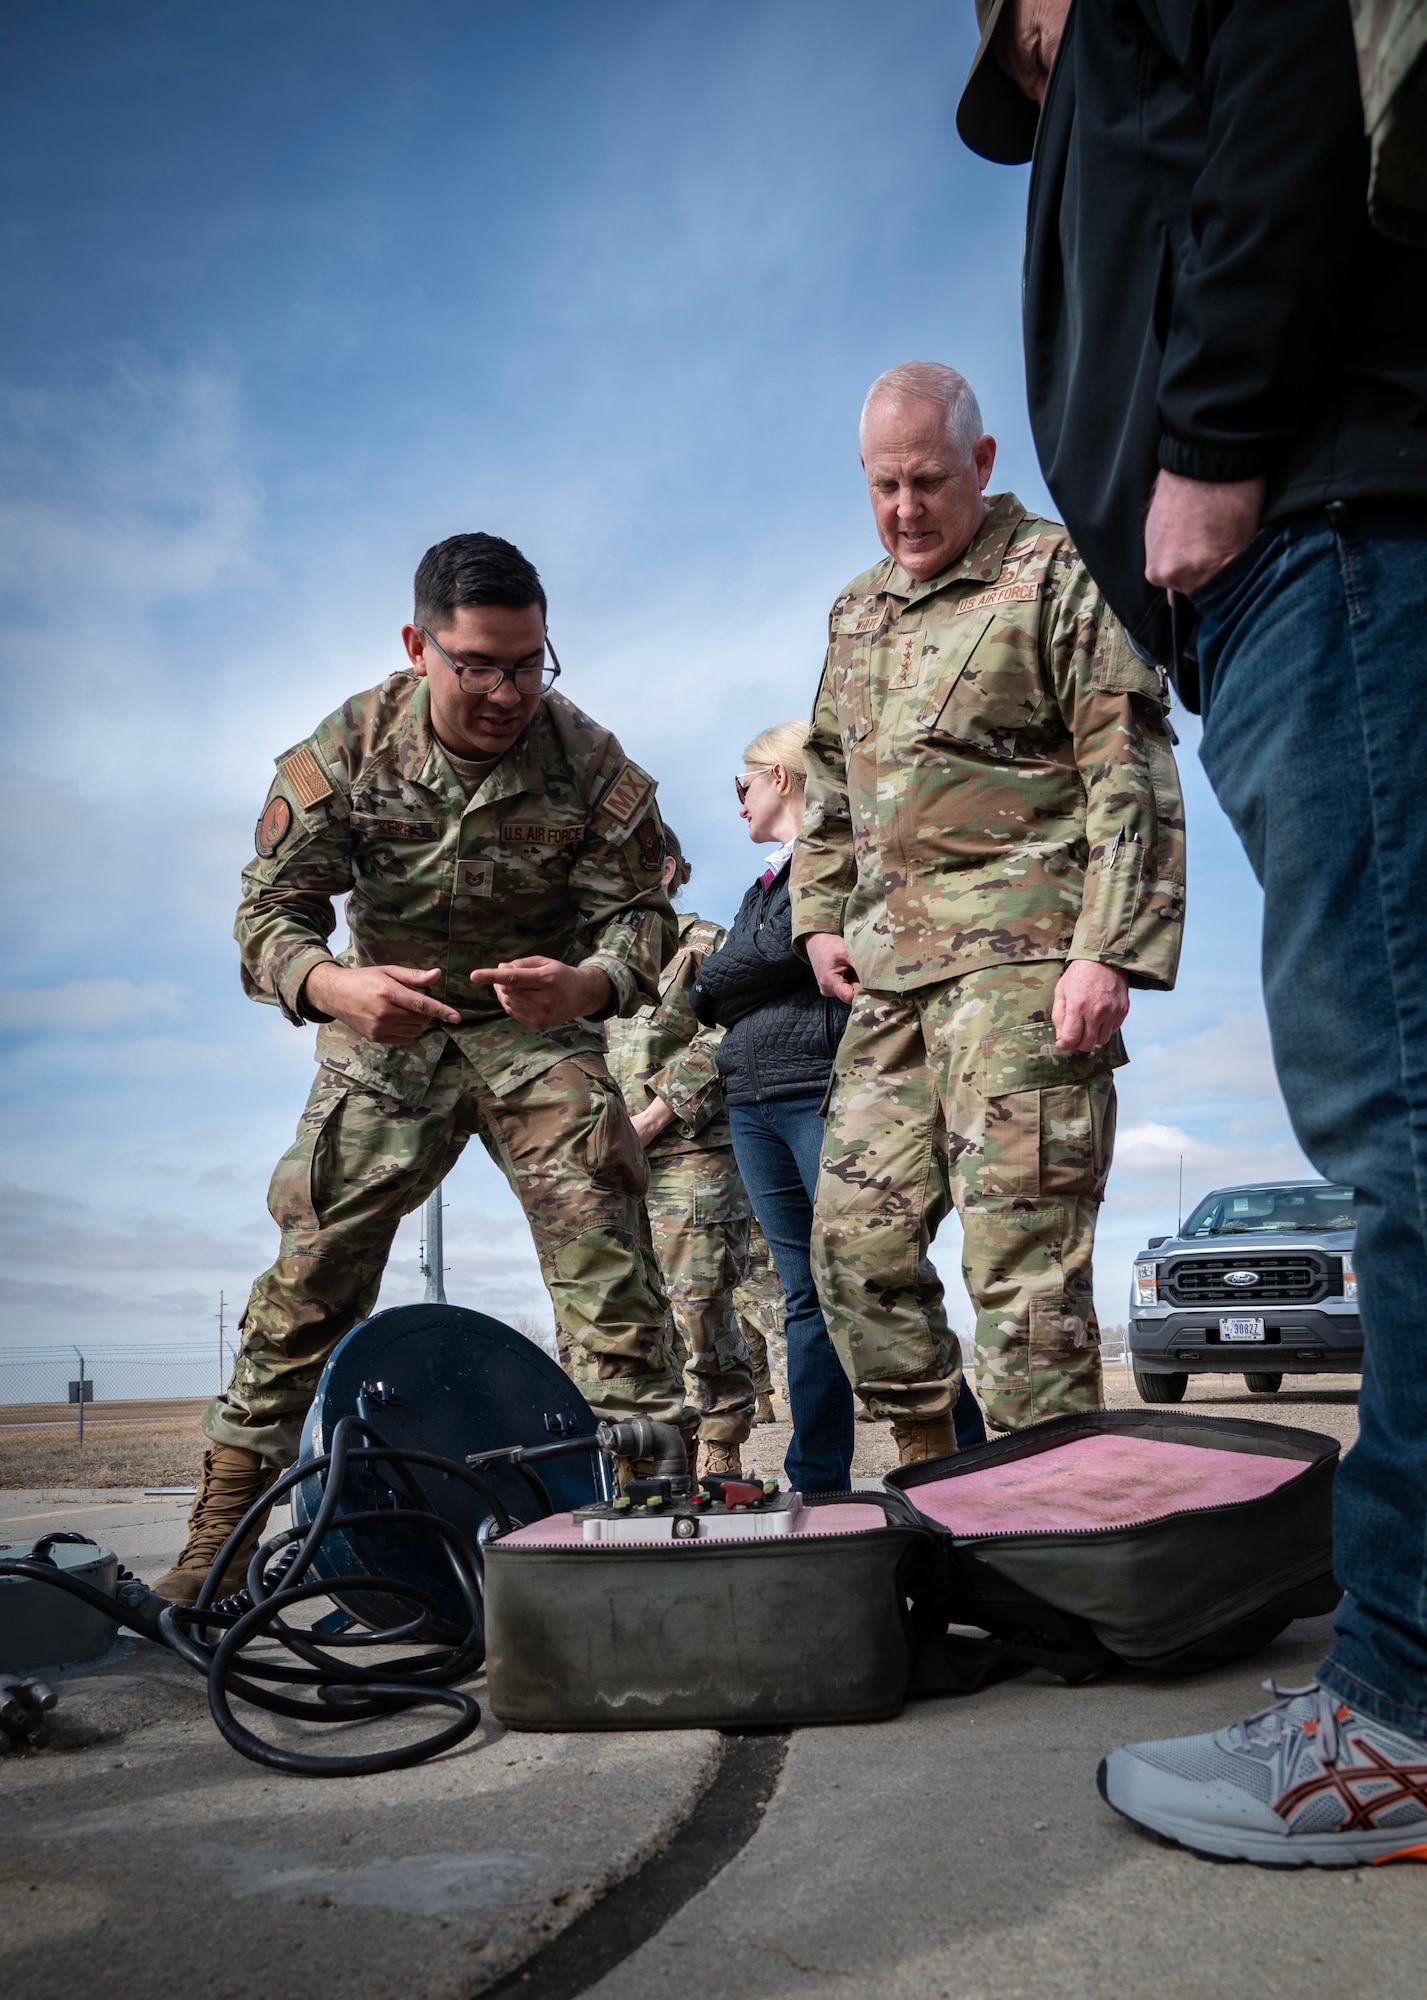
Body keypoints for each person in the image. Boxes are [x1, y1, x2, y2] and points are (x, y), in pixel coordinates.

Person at [961, 0, 1427, 1867]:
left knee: (1397, 1122)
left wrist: (1216, 434)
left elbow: (1288, 95)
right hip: (1280, 577)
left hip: (1313, 522)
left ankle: (1396, 1714)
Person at [153, 532, 682, 1604]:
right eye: (477, 665)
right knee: (313, 1267)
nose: (505, 692)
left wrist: (583, 986)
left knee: (606, 1253)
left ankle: (651, 1518)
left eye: (528, 664)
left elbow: (639, 918)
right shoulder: (349, 746)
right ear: (417, 647)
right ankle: (217, 1533)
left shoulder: (587, 760)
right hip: (385, 1021)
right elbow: (269, 914)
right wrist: (330, 987)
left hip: (533, 1029)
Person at [793, 363, 1186, 1463]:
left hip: (1025, 967)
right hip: (890, 981)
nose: (903, 509)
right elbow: (826, 784)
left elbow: (1128, 765)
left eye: (925, 480)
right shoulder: (855, 610)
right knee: (852, 1248)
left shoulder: (1053, 571)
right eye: (882, 485)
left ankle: (1054, 1540)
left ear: (979, 463)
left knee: (1022, 1271)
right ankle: (939, 1484)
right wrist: (819, 919)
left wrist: (1106, 950)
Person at [689, 724, 858, 1494]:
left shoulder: (833, 859)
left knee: (866, 1276)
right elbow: (708, 992)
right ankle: (818, 1480)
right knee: (803, 1294)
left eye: (742, 785)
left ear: (783, 777)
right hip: (750, 1101)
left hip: (817, 1090)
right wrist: (732, 974)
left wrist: (727, 973)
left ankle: (951, 1450)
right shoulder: (761, 884)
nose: (738, 804)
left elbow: (750, 963)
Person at [603, 825, 757, 1478]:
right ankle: (657, 1457)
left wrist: (657, 1111)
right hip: (604, 1165)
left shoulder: (704, 943)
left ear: (664, 869)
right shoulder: (588, 963)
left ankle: (720, 1446)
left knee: (699, 1306)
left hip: (688, 1155)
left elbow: (732, 1032)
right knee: (625, 1316)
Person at [736, 1218, 788, 1424]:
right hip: (734, 1271)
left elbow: (774, 1221)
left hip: (761, 1273)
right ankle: (764, 1404)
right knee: (749, 1346)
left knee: (780, 1338)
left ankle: (795, 1405)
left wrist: (778, 1265)